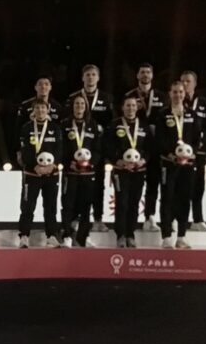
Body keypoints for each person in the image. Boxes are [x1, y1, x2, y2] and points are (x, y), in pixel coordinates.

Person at [64, 64, 114, 232]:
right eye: (87, 75)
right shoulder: (73, 98)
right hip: (76, 150)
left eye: (93, 74)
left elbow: (111, 123)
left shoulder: (106, 98)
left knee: (98, 185)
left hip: (96, 148)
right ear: (82, 78)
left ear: (98, 78)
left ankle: (98, 218)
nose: (90, 77)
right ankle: (74, 220)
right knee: (75, 189)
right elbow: (67, 121)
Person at [156, 82, 202, 249]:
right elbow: (159, 138)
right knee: (167, 198)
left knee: (184, 199)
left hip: (188, 164)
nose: (178, 95)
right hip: (169, 164)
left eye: (180, 92)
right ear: (170, 94)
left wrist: (191, 152)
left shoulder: (192, 114)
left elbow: (197, 138)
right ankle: (167, 236)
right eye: (175, 92)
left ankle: (181, 236)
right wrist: (171, 154)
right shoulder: (163, 114)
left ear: (185, 94)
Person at [124, 63, 167, 233]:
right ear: (137, 75)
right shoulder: (129, 96)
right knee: (133, 185)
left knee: (153, 182)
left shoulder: (162, 96)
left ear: (152, 75)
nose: (145, 75)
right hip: (135, 147)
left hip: (155, 147)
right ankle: (129, 220)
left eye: (148, 72)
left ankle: (150, 216)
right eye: (142, 72)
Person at [105, 96, 152, 248]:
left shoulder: (144, 126)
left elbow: (150, 148)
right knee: (122, 202)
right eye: (128, 105)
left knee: (134, 202)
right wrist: (118, 161)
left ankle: (131, 235)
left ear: (137, 108)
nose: (130, 108)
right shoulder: (114, 125)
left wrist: (143, 160)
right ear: (122, 107)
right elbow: (108, 146)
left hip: (139, 170)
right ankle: (120, 235)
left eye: (133, 105)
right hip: (121, 171)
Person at [16, 99, 64, 248]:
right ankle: (24, 236)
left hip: (51, 174)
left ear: (48, 109)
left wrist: (53, 166)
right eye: (37, 108)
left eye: (43, 108)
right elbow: (24, 150)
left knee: (50, 206)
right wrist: (34, 165)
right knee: (27, 206)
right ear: (33, 110)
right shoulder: (26, 128)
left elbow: (59, 149)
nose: (40, 111)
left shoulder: (55, 128)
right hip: (32, 174)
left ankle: (51, 236)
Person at [59, 94, 103, 248]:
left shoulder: (92, 125)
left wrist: (91, 163)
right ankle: (66, 236)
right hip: (70, 173)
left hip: (87, 173)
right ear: (72, 107)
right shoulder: (64, 125)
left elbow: (98, 149)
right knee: (68, 205)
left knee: (86, 206)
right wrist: (68, 163)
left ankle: (83, 237)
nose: (79, 107)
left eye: (82, 104)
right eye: (76, 104)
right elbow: (61, 148)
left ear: (86, 107)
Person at [180, 71, 206, 231]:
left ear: (195, 84)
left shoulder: (203, 102)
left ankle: (198, 219)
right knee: (181, 187)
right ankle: (179, 220)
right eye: (183, 81)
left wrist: (202, 144)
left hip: (198, 152)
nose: (185, 84)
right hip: (180, 152)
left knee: (198, 186)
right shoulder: (177, 101)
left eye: (188, 81)